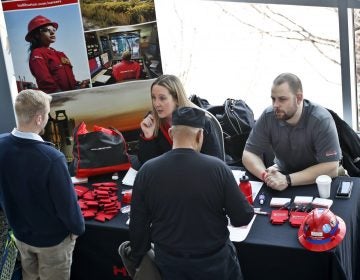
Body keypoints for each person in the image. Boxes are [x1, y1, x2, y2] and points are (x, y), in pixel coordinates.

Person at [129, 107, 254, 280]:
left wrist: (138, 261)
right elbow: (242, 217)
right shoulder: (218, 169)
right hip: (215, 264)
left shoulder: (147, 171)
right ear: (199, 135)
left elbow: (137, 227)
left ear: (172, 133)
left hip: (170, 265)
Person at [0, 89, 85, 280]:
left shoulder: (1, 145)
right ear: (39, 119)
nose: (48, 118)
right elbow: (67, 205)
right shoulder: (52, 158)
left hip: (21, 236)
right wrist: (77, 229)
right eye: (47, 114)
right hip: (52, 242)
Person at [242, 72, 342, 191]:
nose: (275, 105)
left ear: (299, 98)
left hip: (318, 179)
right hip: (283, 173)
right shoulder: (268, 116)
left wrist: (287, 179)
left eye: (282, 99)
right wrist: (266, 176)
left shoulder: (321, 119)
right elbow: (248, 154)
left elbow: (331, 167)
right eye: (273, 99)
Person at [138, 74, 223, 165]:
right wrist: (148, 136)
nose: (156, 104)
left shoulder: (202, 122)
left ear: (177, 99)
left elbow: (216, 163)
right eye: (153, 98)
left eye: (162, 98)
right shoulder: (151, 121)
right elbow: (146, 165)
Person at [25, 15, 89, 94]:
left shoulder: (61, 54)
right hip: (60, 100)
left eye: (53, 29)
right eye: (46, 30)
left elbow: (69, 78)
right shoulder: (37, 54)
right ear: (36, 35)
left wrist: (78, 85)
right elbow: (45, 82)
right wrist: (61, 97)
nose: (52, 32)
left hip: (72, 96)